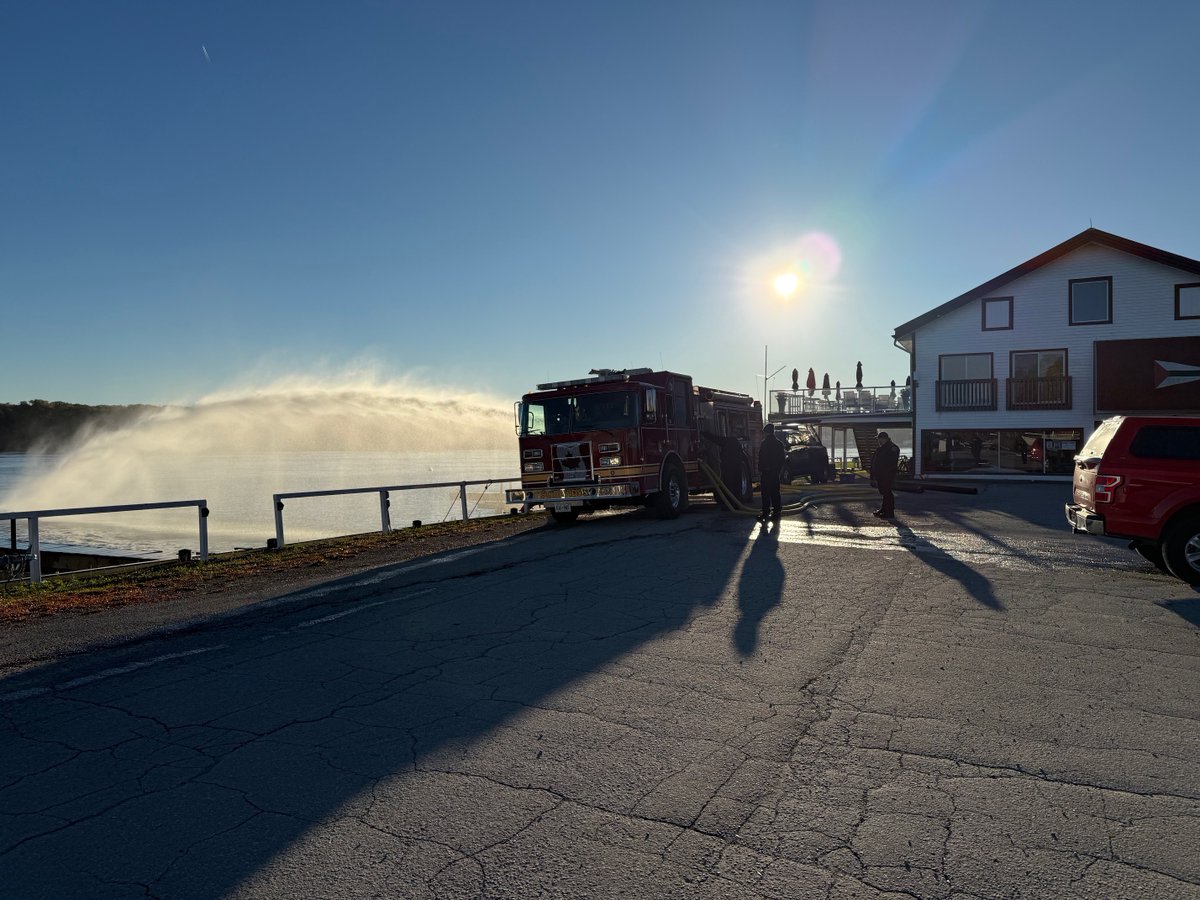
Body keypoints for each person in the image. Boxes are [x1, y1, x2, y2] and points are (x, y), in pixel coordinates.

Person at [758, 422, 785, 522]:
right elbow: (782, 459)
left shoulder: (764, 444)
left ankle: (765, 512)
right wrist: (777, 470)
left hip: (765, 473)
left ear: (766, 432)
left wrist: (761, 469)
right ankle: (776, 512)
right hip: (774, 473)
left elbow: (761, 457)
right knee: (775, 492)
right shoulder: (779, 444)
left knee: (765, 493)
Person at [870, 431, 901, 519]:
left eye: (879, 439)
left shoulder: (892, 448)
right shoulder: (882, 448)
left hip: (887, 475)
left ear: (884, 439)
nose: (878, 441)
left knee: (887, 493)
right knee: (885, 492)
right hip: (881, 474)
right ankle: (884, 509)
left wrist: (885, 473)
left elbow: (891, 463)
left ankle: (889, 512)